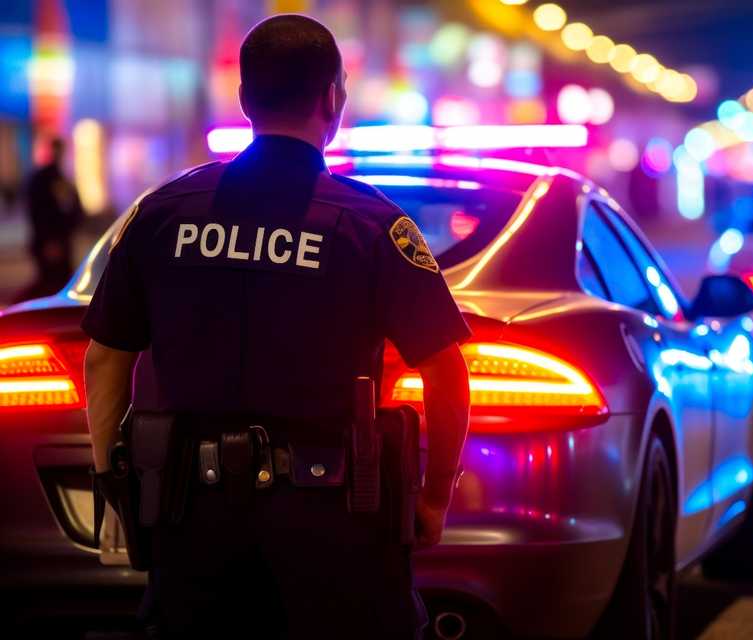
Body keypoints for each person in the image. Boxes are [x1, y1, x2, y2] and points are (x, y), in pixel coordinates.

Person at [83, 14, 471, 639]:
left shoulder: (163, 213)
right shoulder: (369, 224)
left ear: (243, 100)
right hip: (336, 523)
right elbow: (445, 371)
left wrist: (117, 484)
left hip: (192, 517)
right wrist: (433, 496)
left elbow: (104, 359)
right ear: (332, 99)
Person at [18, 137, 83, 301]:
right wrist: (49, 241)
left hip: (60, 239)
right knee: (50, 283)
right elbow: (38, 212)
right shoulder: (43, 178)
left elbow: (73, 206)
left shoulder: (61, 177)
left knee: (59, 282)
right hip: (50, 240)